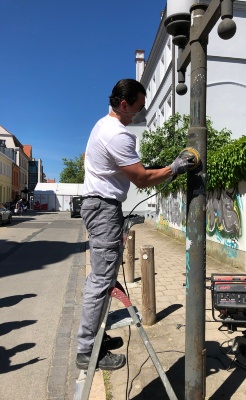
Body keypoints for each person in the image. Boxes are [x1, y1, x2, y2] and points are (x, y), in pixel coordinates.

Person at [76, 78, 194, 371]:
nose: (140, 115)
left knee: (102, 277)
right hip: (103, 207)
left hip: (100, 206)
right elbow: (141, 178)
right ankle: (88, 350)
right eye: (139, 109)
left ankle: (96, 339)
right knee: (101, 281)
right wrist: (174, 168)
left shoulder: (102, 125)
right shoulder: (118, 135)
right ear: (124, 104)